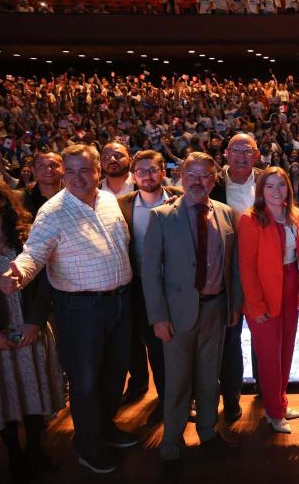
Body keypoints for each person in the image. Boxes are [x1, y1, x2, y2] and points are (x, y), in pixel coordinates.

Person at [2, 144, 135, 474]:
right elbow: (35, 252)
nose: (77, 177)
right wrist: (19, 271)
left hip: (119, 301)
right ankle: (87, 446)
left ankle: (104, 428)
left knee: (114, 373)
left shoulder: (107, 200)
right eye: (71, 170)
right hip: (80, 308)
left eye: (84, 170)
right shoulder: (53, 211)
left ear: (98, 171)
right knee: (86, 380)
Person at [141, 152, 241, 474]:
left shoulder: (226, 213)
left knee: (210, 379)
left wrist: (234, 304)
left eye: (206, 176)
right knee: (178, 382)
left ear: (214, 180)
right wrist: (158, 317)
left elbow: (233, 267)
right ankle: (172, 445)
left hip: (216, 309)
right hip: (177, 314)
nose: (199, 182)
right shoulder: (161, 216)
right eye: (193, 176)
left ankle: (208, 433)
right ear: (182, 177)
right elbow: (150, 272)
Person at [0, 177, 64, 483]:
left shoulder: (26, 228)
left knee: (35, 389)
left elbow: (48, 277)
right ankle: (14, 454)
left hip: (30, 324)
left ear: (1, 197)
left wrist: (35, 321)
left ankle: (35, 448)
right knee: (4, 395)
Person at [238, 167, 299, 434]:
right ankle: (273, 411)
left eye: (281, 185)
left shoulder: (294, 214)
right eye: (270, 186)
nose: (276, 191)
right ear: (261, 190)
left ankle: (280, 401)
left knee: (287, 349)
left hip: (290, 286)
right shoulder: (251, 219)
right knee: (269, 355)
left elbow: (294, 252)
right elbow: (246, 267)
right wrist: (255, 305)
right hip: (265, 293)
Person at [116, 150, 181, 421]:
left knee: (181, 345)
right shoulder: (123, 206)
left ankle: (184, 400)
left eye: (153, 170)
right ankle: (166, 402)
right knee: (156, 348)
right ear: (133, 176)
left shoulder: (181, 198)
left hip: (179, 285)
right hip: (143, 288)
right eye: (141, 171)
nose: (147, 175)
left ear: (162, 172)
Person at [209, 133, 262, 422]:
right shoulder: (213, 183)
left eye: (248, 150)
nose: (242, 155)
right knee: (229, 336)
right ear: (226, 154)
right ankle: (231, 397)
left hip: (261, 268)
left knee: (262, 333)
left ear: (257, 155)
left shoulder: (269, 180)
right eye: (236, 150)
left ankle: (266, 391)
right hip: (224, 268)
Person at [21, 152, 63, 216]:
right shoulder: (21, 199)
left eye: (53, 165)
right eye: (41, 166)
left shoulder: (75, 195)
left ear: (63, 168)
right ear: (34, 170)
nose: (48, 169)